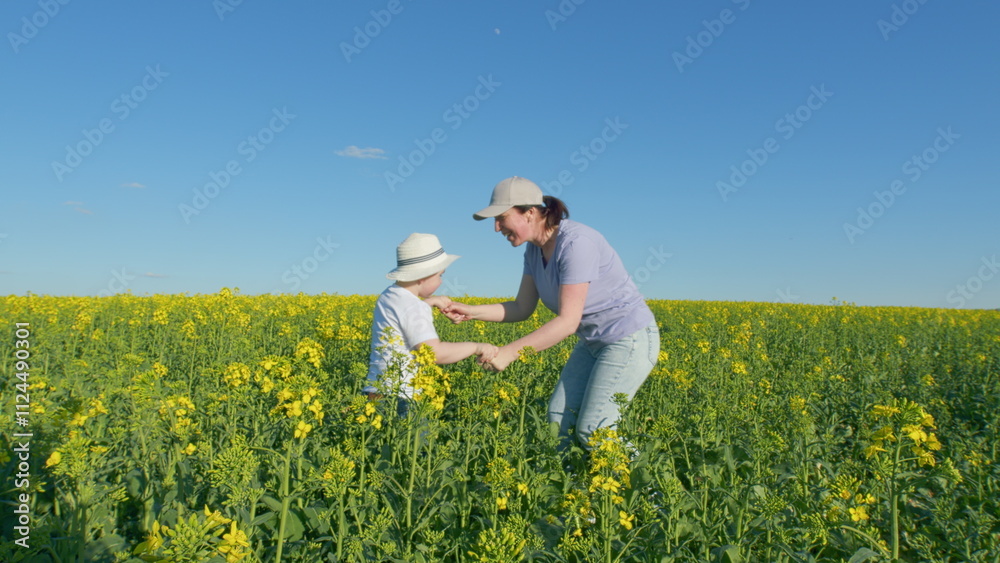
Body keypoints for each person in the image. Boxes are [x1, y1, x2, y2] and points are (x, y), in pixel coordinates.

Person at [441, 177, 660, 449]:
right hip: (592, 342)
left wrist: (509, 353)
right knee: (559, 422)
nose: (496, 227)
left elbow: (568, 322)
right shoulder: (534, 252)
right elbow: (521, 307)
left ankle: (643, 478)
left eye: (501, 218)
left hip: (628, 339)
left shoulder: (576, 243)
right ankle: (574, 478)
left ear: (530, 212)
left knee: (595, 430)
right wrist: (470, 311)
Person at [365, 233, 498, 414]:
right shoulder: (414, 307)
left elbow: (404, 314)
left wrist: (430, 302)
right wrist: (477, 347)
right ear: (423, 276)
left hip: (376, 391)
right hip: (401, 397)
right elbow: (434, 353)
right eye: (440, 275)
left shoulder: (389, 295)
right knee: (416, 433)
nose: (441, 281)